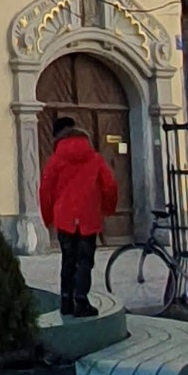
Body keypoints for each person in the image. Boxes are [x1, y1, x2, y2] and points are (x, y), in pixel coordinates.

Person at [39, 122, 120, 317]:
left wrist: (47, 216)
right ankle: (81, 300)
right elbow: (110, 185)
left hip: (64, 217)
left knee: (68, 259)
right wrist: (108, 209)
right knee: (84, 261)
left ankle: (66, 301)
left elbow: (45, 190)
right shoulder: (95, 159)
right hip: (88, 217)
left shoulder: (55, 160)